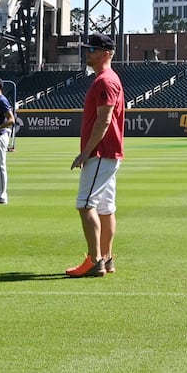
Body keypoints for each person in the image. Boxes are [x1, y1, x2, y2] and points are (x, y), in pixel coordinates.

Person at [67, 33, 124, 278]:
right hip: (108, 153)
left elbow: (104, 119)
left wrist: (86, 152)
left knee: (85, 204)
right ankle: (107, 258)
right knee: (105, 208)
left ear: (106, 53)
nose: (87, 52)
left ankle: (94, 260)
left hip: (101, 152)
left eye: (92, 49)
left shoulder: (104, 81)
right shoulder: (106, 78)